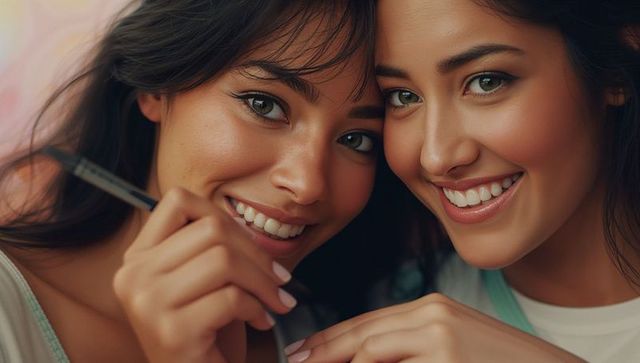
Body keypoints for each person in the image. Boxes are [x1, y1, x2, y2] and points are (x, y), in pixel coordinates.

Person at [0, 0, 422, 362]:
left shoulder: (348, 335)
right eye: (264, 105)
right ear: (158, 88)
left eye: (356, 139)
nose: (307, 183)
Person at [286, 0, 640, 362]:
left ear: (614, 68)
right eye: (403, 96)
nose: (436, 157)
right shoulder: (366, 329)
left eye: (486, 82)